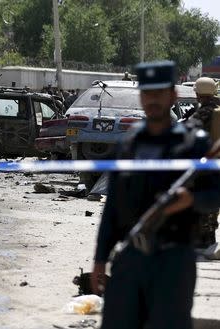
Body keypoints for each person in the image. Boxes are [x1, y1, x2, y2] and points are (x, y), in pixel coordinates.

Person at [91, 61, 220, 329]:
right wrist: (100, 258)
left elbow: (215, 193)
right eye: (147, 93)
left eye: (159, 93)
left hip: (174, 261)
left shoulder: (193, 144)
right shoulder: (128, 144)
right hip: (131, 258)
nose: (153, 100)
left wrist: (191, 200)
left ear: (172, 96)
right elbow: (112, 207)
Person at [185, 77, 220, 249]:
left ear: (199, 94)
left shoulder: (204, 112)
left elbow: (187, 131)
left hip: (205, 165)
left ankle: (201, 240)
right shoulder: (218, 109)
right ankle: (209, 239)